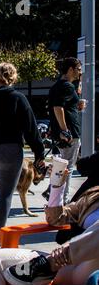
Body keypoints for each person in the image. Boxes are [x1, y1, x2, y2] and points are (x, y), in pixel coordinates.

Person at [0, 179, 99, 285]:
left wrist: (61, 254)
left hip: (89, 268)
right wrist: (57, 186)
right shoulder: (94, 197)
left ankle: (48, 264)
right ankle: (45, 266)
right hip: (65, 265)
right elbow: (56, 218)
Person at [0, 62, 45, 246]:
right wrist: (39, 152)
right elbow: (31, 128)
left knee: (2, 190)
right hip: (10, 151)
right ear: (13, 77)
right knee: (5, 193)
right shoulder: (18, 98)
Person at [48, 57, 83, 204]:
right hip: (69, 134)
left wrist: (77, 105)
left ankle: (53, 195)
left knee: (62, 166)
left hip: (63, 132)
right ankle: (63, 200)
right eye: (78, 69)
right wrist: (65, 130)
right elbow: (58, 107)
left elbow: (63, 106)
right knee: (67, 168)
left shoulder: (59, 85)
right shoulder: (66, 86)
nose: (80, 72)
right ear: (70, 69)